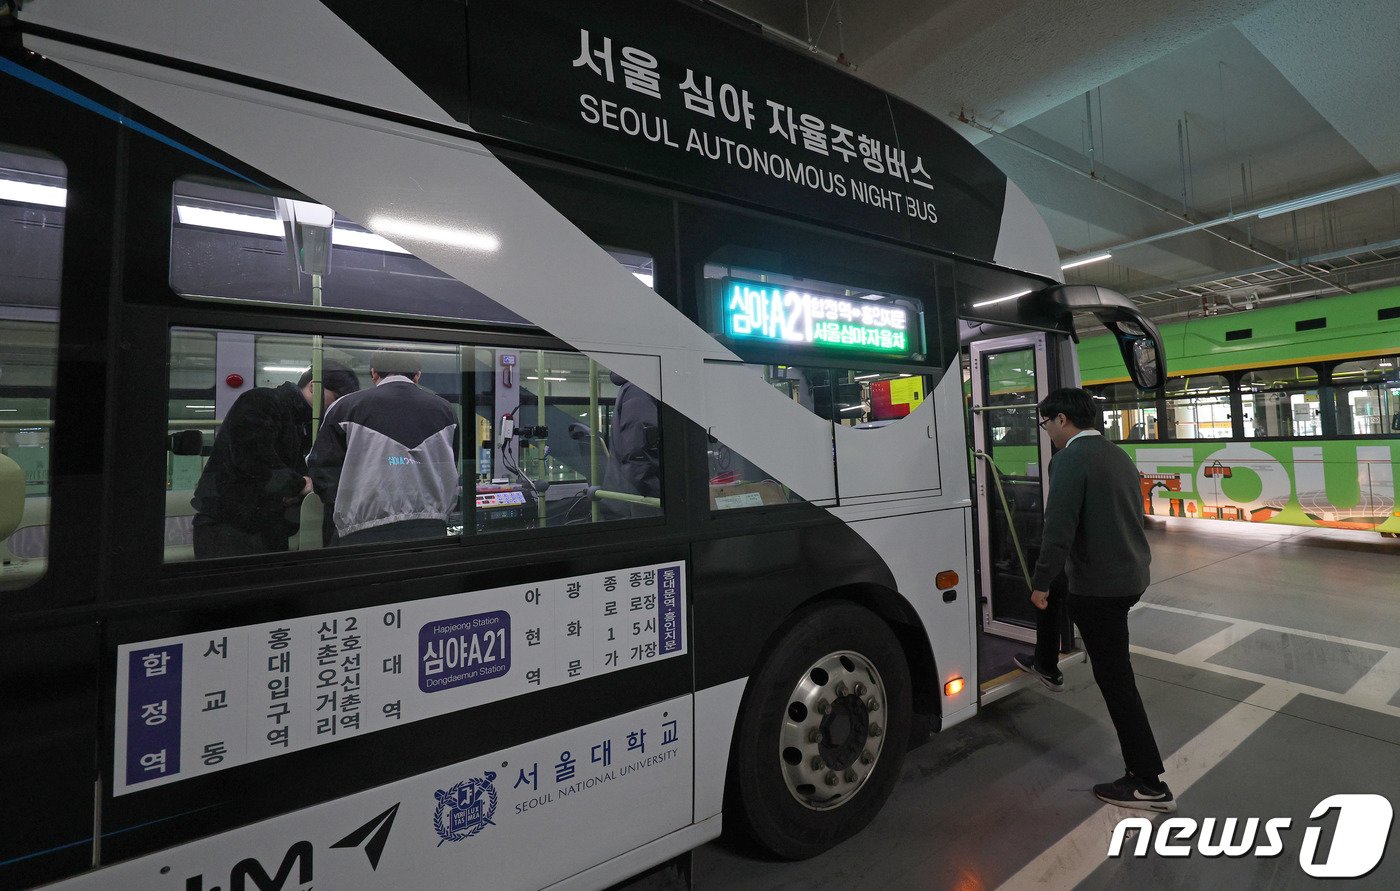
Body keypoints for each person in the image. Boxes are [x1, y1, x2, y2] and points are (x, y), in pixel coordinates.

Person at [1014, 387, 1173, 813]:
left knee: (1116, 679)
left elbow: (1059, 528)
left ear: (1063, 420)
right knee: (1059, 596)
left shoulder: (1069, 459)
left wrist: (1041, 580)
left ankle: (1147, 782)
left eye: (1046, 423)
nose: (1046, 432)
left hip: (1101, 587)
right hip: (1128, 573)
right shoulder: (1116, 455)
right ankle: (1046, 664)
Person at [191, 361, 360, 558]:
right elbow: (253, 459)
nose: (339, 407)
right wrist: (300, 485)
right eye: (337, 399)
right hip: (228, 527)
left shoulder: (302, 422)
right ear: (314, 386)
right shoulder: (262, 401)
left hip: (263, 527)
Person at [308, 349, 458, 545]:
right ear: (418, 375)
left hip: (361, 531)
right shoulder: (446, 411)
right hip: (430, 527)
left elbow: (322, 470)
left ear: (374, 373)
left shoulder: (344, 408)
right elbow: (450, 466)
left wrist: (346, 503)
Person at [599, 371, 661, 519]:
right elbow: (639, 457)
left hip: (635, 497)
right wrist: (663, 496)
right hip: (644, 502)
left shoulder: (636, 389)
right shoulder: (640, 391)